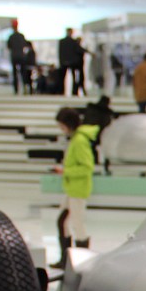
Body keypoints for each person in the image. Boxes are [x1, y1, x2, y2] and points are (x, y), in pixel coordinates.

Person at [49, 106, 98, 268]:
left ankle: (81, 258)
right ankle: (66, 259)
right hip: (72, 189)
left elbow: (87, 167)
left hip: (78, 189)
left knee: (77, 223)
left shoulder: (80, 141)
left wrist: (65, 171)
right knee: (63, 221)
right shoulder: (76, 139)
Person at [7, 19, 34, 94]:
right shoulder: (21, 36)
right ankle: (25, 87)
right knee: (23, 73)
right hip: (21, 57)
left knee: (15, 74)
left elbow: (9, 46)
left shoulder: (11, 37)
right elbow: (25, 45)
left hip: (14, 57)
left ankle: (16, 90)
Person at [57, 28, 85, 96]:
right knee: (64, 78)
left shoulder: (68, 41)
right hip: (69, 62)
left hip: (69, 62)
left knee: (73, 78)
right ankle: (65, 92)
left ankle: (73, 92)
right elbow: (60, 52)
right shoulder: (69, 41)